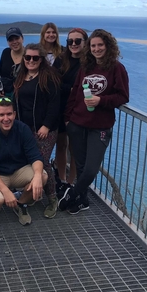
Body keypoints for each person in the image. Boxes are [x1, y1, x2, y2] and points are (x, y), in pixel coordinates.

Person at [59, 29, 129, 215]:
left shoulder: (116, 68)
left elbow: (123, 96)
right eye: (93, 45)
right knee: (81, 167)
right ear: (89, 48)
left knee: (90, 169)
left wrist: (101, 101)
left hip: (100, 127)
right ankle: (83, 201)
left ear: (108, 46)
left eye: (100, 45)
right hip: (77, 123)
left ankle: (71, 194)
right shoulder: (86, 67)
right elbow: (75, 93)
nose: (96, 49)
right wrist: (68, 119)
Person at [0, 97, 47, 226]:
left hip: (18, 171)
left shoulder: (23, 129)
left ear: (14, 114)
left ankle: (21, 204)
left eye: (9, 114)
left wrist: (37, 176)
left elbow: (35, 156)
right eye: (1, 115)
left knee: (42, 176)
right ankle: (0, 202)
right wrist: (5, 191)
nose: (6, 118)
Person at [14, 43, 60, 219]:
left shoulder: (49, 76)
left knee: (42, 163)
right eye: (28, 57)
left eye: (35, 58)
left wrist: (46, 125)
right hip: (25, 128)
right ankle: (33, 194)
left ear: (41, 59)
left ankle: (52, 199)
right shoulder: (21, 75)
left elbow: (55, 104)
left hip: (44, 129)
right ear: (24, 58)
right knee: (28, 162)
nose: (31, 61)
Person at [53, 28, 88, 194]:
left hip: (78, 110)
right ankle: (61, 179)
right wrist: (72, 89)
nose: (73, 44)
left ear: (85, 42)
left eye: (77, 41)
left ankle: (72, 181)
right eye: (70, 41)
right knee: (61, 145)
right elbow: (54, 82)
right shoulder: (61, 59)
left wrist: (68, 88)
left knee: (75, 148)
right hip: (60, 107)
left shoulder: (89, 63)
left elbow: (83, 88)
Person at [0, 27, 24, 98]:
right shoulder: (6, 52)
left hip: (23, 96)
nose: (14, 42)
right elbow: (0, 74)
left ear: (22, 38)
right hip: (6, 96)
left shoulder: (29, 55)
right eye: (11, 40)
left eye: (17, 38)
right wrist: (0, 88)